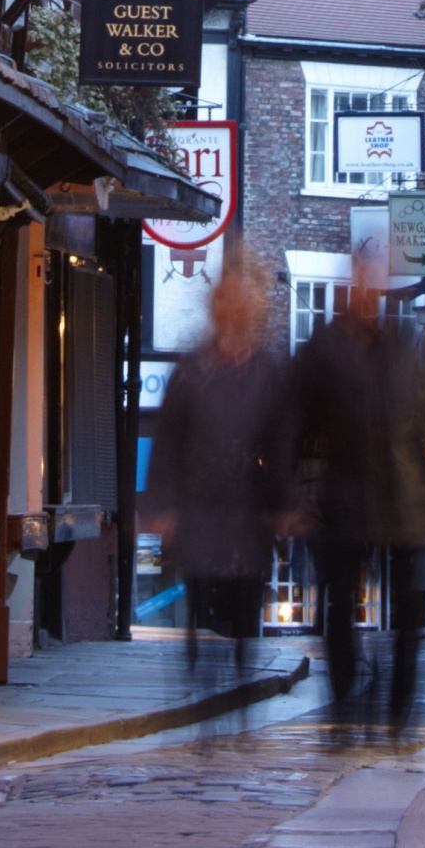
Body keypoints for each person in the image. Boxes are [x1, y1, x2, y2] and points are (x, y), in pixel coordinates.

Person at [287, 238, 425, 740]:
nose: (366, 291)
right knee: (338, 608)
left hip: (403, 499)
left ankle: (399, 711)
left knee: (407, 615)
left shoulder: (403, 351)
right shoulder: (322, 351)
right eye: (360, 279)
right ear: (350, 282)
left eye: (372, 281)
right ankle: (345, 705)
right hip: (344, 500)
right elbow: (292, 424)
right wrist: (292, 493)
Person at [145, 247, 286, 672]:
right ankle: (205, 701)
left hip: (248, 516)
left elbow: (281, 444)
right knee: (204, 614)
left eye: (245, 301)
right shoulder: (192, 371)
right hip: (200, 512)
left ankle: (239, 708)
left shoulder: (268, 372)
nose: (237, 310)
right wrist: (162, 507)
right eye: (229, 300)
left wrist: (283, 506)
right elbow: (167, 440)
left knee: (244, 618)